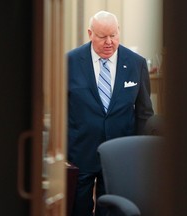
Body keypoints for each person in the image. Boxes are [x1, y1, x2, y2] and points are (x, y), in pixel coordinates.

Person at [67, 10, 154, 216]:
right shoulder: (69, 62)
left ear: (119, 32)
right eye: (102, 36)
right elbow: (60, 108)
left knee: (113, 210)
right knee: (78, 209)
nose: (109, 42)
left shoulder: (136, 63)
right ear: (90, 33)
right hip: (80, 151)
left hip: (118, 154)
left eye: (113, 35)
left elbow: (144, 113)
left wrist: (139, 154)